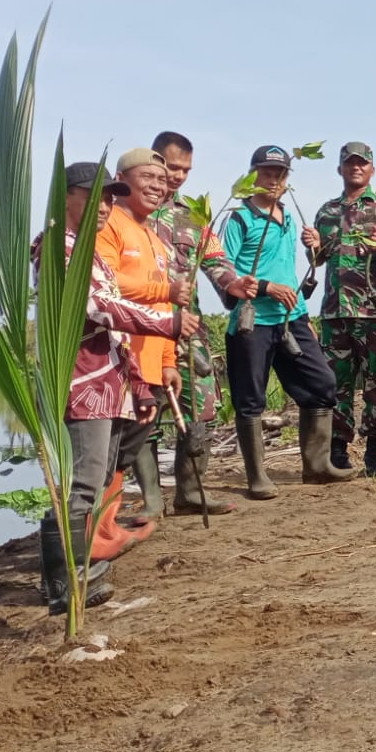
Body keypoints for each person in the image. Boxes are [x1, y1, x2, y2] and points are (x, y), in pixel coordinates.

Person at [33, 163, 195, 614]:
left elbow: (115, 321)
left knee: (99, 476)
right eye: (95, 195)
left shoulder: (90, 255)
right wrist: (169, 320)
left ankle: (77, 575)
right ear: (66, 197)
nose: (105, 206)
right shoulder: (57, 250)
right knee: (85, 481)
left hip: (109, 379)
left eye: (110, 198)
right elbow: (100, 310)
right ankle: (65, 585)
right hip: (82, 380)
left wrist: (138, 383)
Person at [222, 145, 356, 499]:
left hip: (291, 317)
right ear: (252, 176)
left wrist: (316, 248)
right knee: (251, 399)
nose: (274, 180)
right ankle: (257, 477)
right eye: (267, 173)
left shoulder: (289, 216)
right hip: (253, 320)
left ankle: (317, 465)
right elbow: (223, 269)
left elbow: (307, 264)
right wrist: (265, 287)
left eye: (280, 175)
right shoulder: (239, 218)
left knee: (322, 383)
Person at [150, 130, 258, 516]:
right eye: (172, 166)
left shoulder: (193, 217)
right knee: (141, 410)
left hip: (187, 329)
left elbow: (217, 264)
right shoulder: (128, 209)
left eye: (186, 170)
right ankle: (146, 500)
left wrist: (235, 284)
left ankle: (191, 491)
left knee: (203, 404)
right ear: (154, 159)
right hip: (141, 327)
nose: (178, 176)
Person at [94, 146, 184, 558]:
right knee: (105, 450)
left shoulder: (156, 238)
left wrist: (168, 362)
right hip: (116, 360)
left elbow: (167, 310)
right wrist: (163, 290)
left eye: (163, 182)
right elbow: (105, 289)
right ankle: (98, 530)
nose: (157, 187)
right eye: (148, 178)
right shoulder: (109, 223)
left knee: (124, 451)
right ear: (120, 179)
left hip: (150, 362)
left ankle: (106, 526)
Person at [311, 141, 376, 477]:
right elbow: (319, 259)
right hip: (335, 312)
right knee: (335, 386)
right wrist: (313, 247)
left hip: (375, 311)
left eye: (362, 163)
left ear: (372, 169)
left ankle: (375, 452)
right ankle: (338, 451)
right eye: (349, 163)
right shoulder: (326, 212)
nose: (356, 167)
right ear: (340, 169)